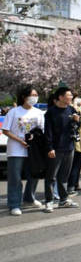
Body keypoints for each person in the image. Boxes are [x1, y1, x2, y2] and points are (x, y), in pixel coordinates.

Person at [2, 86, 45, 216]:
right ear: (24, 97)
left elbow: (41, 130)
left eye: (36, 95)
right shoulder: (14, 112)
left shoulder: (38, 112)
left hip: (32, 150)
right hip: (16, 150)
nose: (34, 97)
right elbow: (5, 130)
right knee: (15, 177)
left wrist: (34, 136)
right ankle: (14, 204)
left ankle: (29, 198)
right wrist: (19, 140)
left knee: (34, 174)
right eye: (32, 95)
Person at [44, 87, 81, 212]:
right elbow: (48, 132)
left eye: (71, 96)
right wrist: (49, 147)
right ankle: (49, 201)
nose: (71, 98)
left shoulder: (71, 109)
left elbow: (76, 126)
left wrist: (77, 120)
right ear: (60, 97)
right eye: (69, 95)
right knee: (51, 176)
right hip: (56, 148)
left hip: (69, 147)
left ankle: (63, 200)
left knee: (64, 176)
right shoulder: (51, 112)